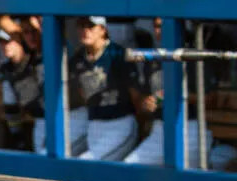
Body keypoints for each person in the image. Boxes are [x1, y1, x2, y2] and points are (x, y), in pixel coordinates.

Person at [0, 22, 89, 156]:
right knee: (43, 167)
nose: (5, 46)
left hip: (70, 116)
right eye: (1, 42)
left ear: (20, 41)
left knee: (49, 159)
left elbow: (46, 34)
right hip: (42, 122)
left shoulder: (37, 56)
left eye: (9, 41)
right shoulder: (8, 69)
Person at [124, 18, 217, 169]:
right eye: (156, 26)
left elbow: (211, 98)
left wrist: (175, 95)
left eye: (163, 26)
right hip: (159, 129)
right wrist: (147, 103)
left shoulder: (192, 55)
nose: (159, 31)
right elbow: (143, 100)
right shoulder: (153, 57)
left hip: (190, 128)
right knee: (129, 170)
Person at [70, 16, 141, 161]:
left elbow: (135, 95)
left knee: (86, 165)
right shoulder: (77, 58)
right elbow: (79, 96)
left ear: (103, 29)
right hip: (94, 124)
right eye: (81, 26)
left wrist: (141, 125)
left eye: (90, 27)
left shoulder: (118, 54)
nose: (85, 31)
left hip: (120, 123)